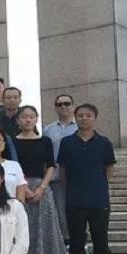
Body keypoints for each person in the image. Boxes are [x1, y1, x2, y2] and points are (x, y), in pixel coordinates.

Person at [58, 103, 120, 254]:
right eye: (81, 115)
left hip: (98, 198)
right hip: (75, 198)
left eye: (88, 115)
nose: (84, 118)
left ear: (94, 118)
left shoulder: (104, 142)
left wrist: (97, 184)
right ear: (75, 118)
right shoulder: (67, 142)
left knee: (101, 237)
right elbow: (63, 171)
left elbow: (109, 169)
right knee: (76, 237)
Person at [14, 105, 64, 254]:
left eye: (31, 117)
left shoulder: (45, 141)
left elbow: (51, 165)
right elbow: (12, 166)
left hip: (42, 187)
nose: (28, 120)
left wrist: (42, 187)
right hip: (20, 188)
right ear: (18, 120)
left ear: (36, 119)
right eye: (24, 117)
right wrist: (24, 188)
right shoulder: (12, 141)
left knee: (43, 230)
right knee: (22, 231)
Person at [43, 94, 78, 243]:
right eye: (59, 104)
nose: (63, 107)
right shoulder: (47, 130)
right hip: (56, 178)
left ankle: (80, 241)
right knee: (61, 211)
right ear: (55, 108)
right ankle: (67, 241)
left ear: (73, 106)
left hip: (78, 178)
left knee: (80, 211)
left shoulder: (81, 127)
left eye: (67, 103)